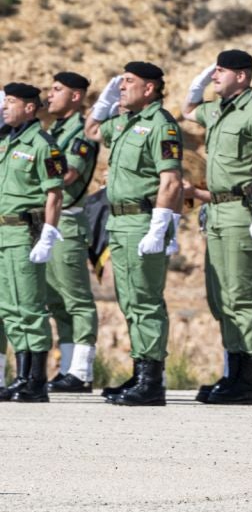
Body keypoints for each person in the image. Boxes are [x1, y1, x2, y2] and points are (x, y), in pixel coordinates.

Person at [181, 50, 252, 405]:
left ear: (242, 76)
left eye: (221, 71)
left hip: (243, 210)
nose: (215, 77)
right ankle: (232, 371)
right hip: (218, 211)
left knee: (242, 296)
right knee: (220, 297)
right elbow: (187, 109)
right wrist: (202, 76)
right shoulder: (218, 111)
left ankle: (247, 380)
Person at [98, 61, 184, 407]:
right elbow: (93, 131)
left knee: (145, 301)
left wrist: (160, 227)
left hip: (141, 222)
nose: (121, 86)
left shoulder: (160, 126)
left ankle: (151, 382)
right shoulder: (124, 123)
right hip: (119, 223)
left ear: (149, 88)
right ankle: (140, 373)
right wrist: (103, 103)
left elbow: (171, 181)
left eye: (128, 82)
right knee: (130, 301)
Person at [0, 83, 62, 402]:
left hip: (25, 233)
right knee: (10, 307)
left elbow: (54, 192)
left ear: (29, 108)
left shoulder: (42, 144)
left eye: (11, 102)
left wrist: (48, 234)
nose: (5, 107)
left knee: (30, 307)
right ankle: (20, 376)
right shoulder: (7, 141)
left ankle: (36, 380)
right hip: (3, 234)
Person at [42, 71, 100, 393]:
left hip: (67, 219)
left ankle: (82, 369)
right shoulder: (55, 130)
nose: (49, 95)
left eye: (57, 90)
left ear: (75, 96)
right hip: (48, 218)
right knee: (55, 300)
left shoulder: (80, 131)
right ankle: (67, 368)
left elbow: (69, 173)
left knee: (76, 298)